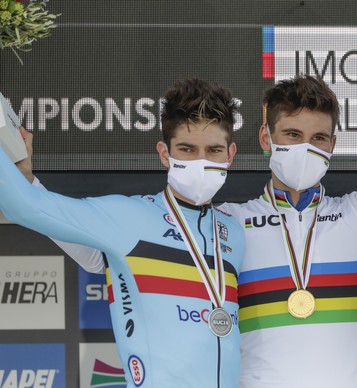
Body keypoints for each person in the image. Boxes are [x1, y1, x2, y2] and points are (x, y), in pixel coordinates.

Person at [13, 3, 357, 387]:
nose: (305, 148)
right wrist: (25, 178)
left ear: (334, 144)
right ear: (264, 139)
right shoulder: (223, 222)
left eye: (318, 138)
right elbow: (98, 253)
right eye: (292, 136)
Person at [0, 78, 245, 388]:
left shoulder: (235, 232)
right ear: (164, 153)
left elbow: (93, 260)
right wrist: (24, 179)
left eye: (213, 150)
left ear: (230, 154)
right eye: (187, 149)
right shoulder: (128, 217)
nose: (200, 161)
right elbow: (27, 208)